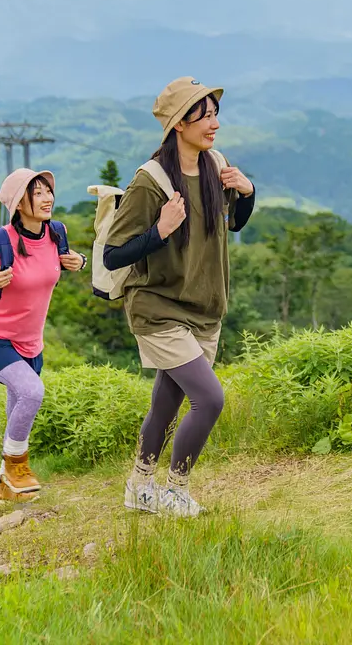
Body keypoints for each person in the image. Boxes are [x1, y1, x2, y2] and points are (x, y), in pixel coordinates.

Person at [104, 77, 256, 517]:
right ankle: (175, 490)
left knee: (167, 400)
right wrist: (160, 231)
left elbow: (235, 224)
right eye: (204, 115)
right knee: (209, 399)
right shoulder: (150, 182)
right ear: (178, 124)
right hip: (158, 308)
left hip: (204, 308)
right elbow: (115, 254)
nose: (214, 124)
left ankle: (139, 483)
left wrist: (248, 193)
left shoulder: (215, 166)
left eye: (215, 114)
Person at [0, 169, 87, 501]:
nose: (47, 198)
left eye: (48, 191)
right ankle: (16, 465)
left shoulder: (57, 233)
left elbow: (56, 267)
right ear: (19, 203)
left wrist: (79, 261)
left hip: (29, 340)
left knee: (17, 404)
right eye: (37, 193)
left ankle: (6, 484)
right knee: (32, 392)